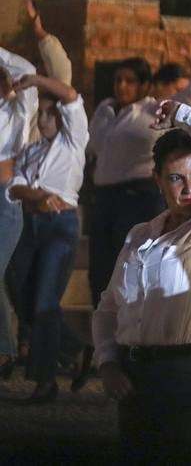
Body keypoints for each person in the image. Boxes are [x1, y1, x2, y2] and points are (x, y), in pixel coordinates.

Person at [92, 98, 191, 459]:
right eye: (176, 179)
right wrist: (107, 362)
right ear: (158, 182)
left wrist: (184, 114)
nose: (190, 189)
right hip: (136, 380)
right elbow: (108, 307)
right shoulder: (140, 235)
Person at [88, 50, 191, 310]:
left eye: (130, 80)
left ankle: (130, 334)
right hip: (103, 197)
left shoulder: (154, 109)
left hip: (137, 196)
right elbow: (92, 147)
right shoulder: (105, 109)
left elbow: (190, 95)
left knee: (126, 264)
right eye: (118, 80)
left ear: (144, 85)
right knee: (99, 268)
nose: (122, 86)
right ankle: (101, 336)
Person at [6, 71, 88, 402]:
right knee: (18, 288)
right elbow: (16, 186)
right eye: (40, 112)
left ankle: (45, 382)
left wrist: (37, 81)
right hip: (32, 226)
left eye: (49, 113)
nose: (43, 118)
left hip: (60, 225)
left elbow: (70, 94)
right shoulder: (32, 151)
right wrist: (38, 195)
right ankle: (75, 350)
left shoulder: (74, 141)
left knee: (44, 300)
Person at [0, 44, 38, 381]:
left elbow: (27, 70)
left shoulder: (18, 112)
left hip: (7, 202)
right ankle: (9, 348)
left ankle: (7, 350)